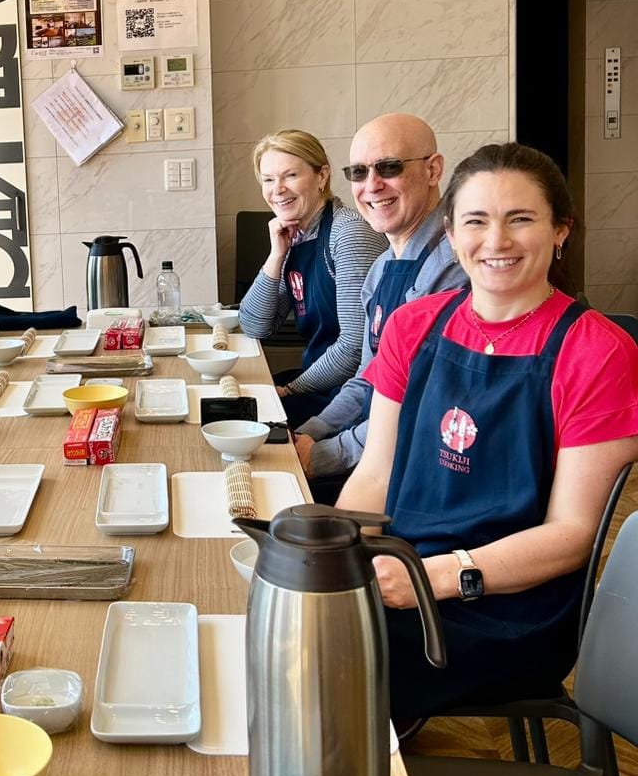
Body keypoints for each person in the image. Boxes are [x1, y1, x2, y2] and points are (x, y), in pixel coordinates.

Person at [339, 142, 638, 727]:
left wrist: (434, 577)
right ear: (451, 234)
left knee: (327, 658)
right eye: (476, 221)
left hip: (510, 603)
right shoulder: (412, 326)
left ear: (560, 230)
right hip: (403, 565)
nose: (496, 241)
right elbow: (375, 474)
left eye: (520, 219)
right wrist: (339, 553)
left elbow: (572, 534)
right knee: (288, 616)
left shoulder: (598, 352)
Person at [294, 114, 467, 502]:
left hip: (419, 473)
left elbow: (421, 408)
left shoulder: (455, 267)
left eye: (389, 167)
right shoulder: (382, 267)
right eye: (358, 172)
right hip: (371, 450)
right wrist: (311, 431)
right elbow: (368, 377)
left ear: (433, 170)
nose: (372, 185)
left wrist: (322, 456)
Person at [237, 129, 381, 428]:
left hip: (349, 396)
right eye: (268, 180)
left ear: (322, 176)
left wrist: (291, 390)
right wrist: (276, 255)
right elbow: (255, 326)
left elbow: (355, 348)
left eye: (290, 175)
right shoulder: (295, 235)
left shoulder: (349, 233)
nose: (278, 190)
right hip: (317, 380)